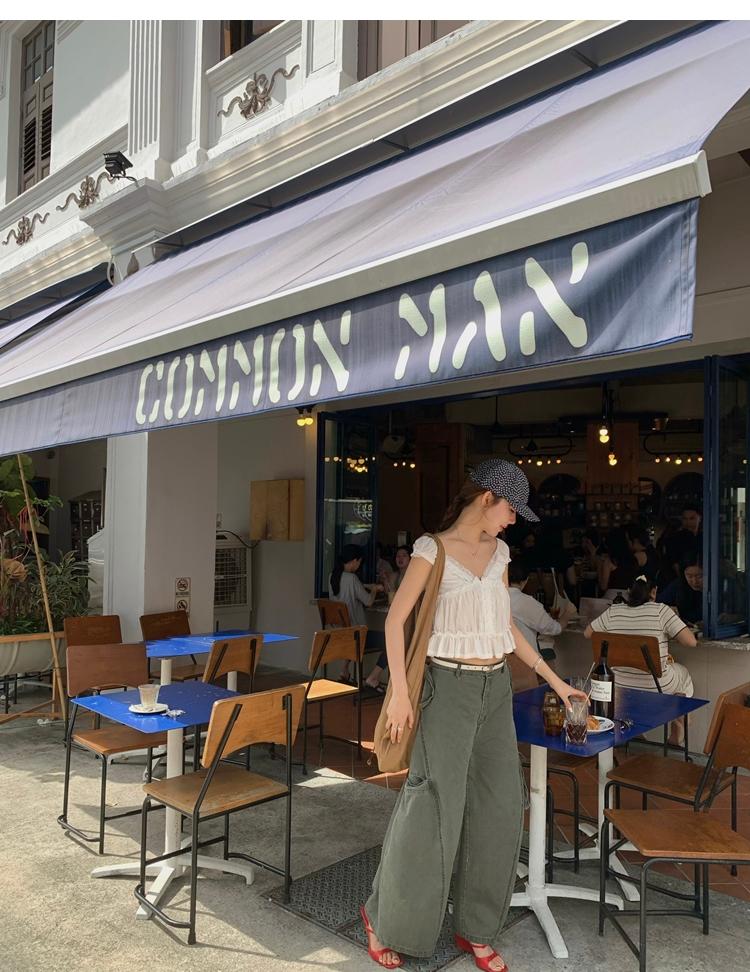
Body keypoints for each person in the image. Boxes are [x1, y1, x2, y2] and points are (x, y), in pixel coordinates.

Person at [360, 458, 586, 969]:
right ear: (487, 498)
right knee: (433, 807)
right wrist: (400, 694)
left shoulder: (500, 552)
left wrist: (555, 682)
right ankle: (385, 918)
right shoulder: (432, 550)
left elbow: (505, 628)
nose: (513, 520)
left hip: (495, 687)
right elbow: (395, 622)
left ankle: (476, 926)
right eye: (510, 509)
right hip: (446, 687)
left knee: (500, 806)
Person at [584, 574, 696, 744]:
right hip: (657, 687)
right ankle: (678, 724)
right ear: (654, 591)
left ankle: (637, 736)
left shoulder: (614, 611)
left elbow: (588, 633)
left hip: (619, 688)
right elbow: (691, 642)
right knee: (683, 674)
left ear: (629, 591)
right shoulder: (661, 610)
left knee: (667, 676)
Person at [329, 545, 383, 684]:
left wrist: (365, 585)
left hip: (340, 633)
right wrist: (374, 589)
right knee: (389, 640)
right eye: (359, 562)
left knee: (351, 630)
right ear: (355, 561)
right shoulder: (352, 578)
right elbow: (369, 602)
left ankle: (344, 670)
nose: (359, 565)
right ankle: (373, 677)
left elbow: (352, 586)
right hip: (357, 635)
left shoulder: (333, 576)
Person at [508, 560, 564, 657]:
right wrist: (568, 614)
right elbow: (554, 629)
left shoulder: (494, 599)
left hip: (500, 658)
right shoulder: (527, 602)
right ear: (526, 580)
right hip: (526, 659)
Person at [658, 554, 703, 625]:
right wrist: (667, 609)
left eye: (699, 576)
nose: (694, 581)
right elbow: (657, 605)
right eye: (689, 576)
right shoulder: (677, 585)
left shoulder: (716, 589)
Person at [597, 526, 638, 598]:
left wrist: (599, 567)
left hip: (612, 597)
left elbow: (603, 586)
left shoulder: (610, 560)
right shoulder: (633, 559)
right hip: (629, 597)